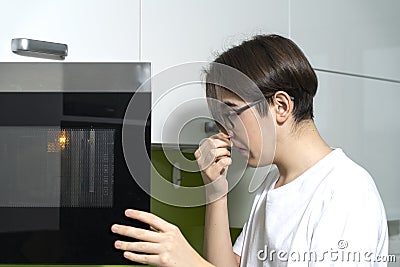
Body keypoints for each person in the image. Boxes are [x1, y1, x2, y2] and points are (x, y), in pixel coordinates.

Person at [111, 34, 388, 266]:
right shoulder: (272, 184)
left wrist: (190, 263)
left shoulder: (346, 192)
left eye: (231, 113)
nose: (225, 132)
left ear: (280, 106)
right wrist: (216, 192)